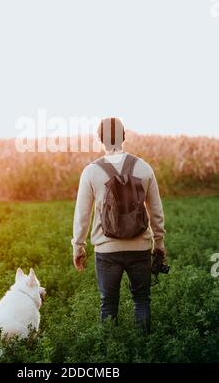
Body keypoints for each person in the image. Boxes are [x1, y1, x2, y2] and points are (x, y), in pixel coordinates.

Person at [71, 117, 166, 333]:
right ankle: (144, 348)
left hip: (107, 251)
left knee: (108, 304)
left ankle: (108, 353)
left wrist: (78, 247)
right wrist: (159, 243)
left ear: (100, 140)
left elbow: (82, 215)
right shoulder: (144, 168)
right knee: (142, 301)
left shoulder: (91, 171)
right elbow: (156, 211)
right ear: (124, 137)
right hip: (140, 248)